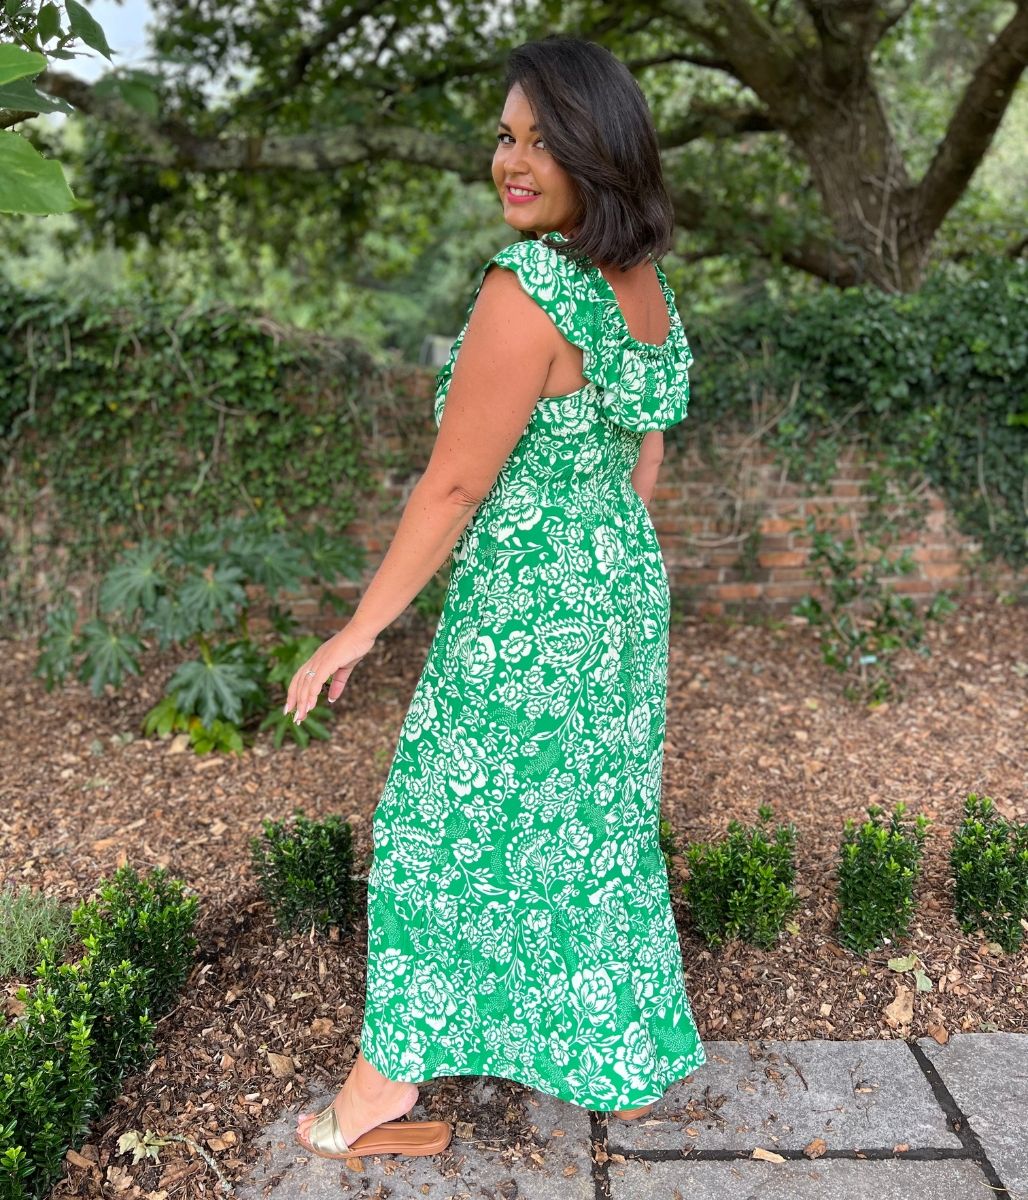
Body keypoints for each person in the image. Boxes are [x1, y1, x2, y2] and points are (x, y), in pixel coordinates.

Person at [284, 33, 706, 1163]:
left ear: (594, 151)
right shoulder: (642, 284)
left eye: (538, 140)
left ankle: (382, 1084)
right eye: (503, 138)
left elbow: (457, 483)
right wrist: (593, 546)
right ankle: (603, 1047)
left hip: (528, 611)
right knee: (580, 830)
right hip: (616, 596)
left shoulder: (528, 288)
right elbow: (642, 457)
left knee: (437, 829)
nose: (509, 161)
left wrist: (359, 629)